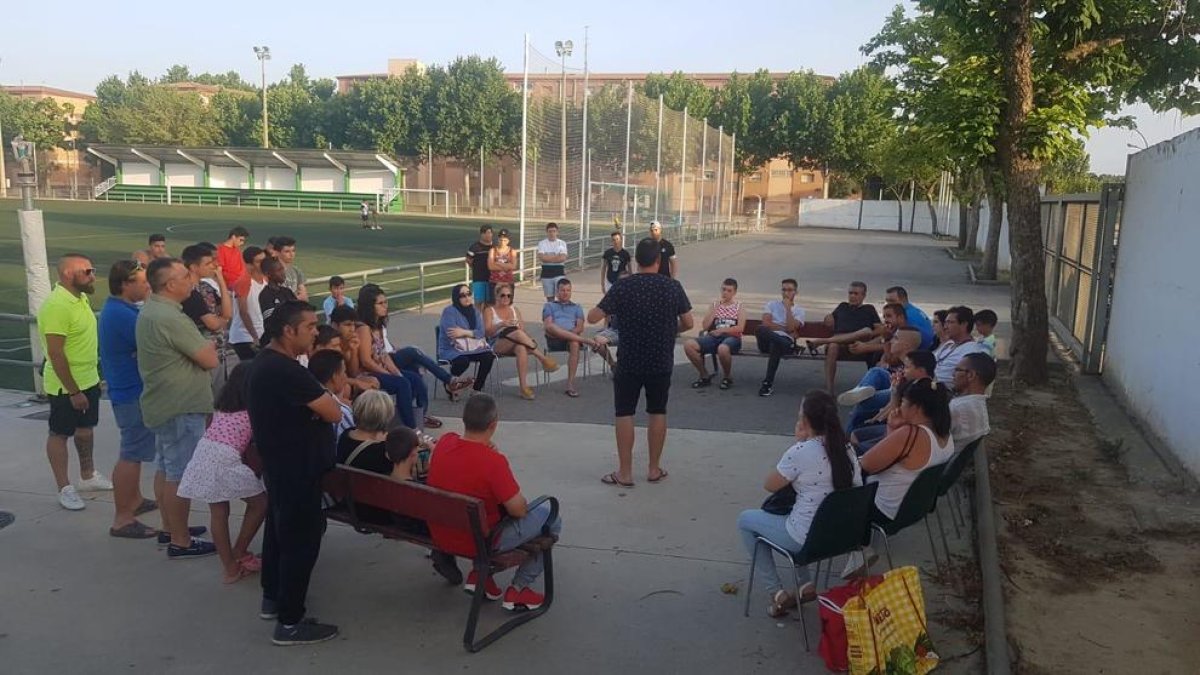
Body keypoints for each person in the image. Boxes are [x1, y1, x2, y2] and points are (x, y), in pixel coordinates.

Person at [247, 300, 342, 646]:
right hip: (297, 470)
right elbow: (333, 411)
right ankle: (290, 622)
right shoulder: (287, 371)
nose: (316, 333)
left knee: (279, 533)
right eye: (310, 327)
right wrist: (319, 407)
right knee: (301, 543)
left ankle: (273, 598)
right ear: (289, 331)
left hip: (281, 466)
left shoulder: (265, 362)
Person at [426, 394, 562, 610]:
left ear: (464, 419)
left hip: (442, 533)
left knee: (484, 511)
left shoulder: (444, 442)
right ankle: (519, 589)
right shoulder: (493, 463)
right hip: (480, 542)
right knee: (550, 517)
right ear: (493, 424)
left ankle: (481, 575)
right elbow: (518, 510)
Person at [737, 391, 861, 616]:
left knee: (746, 520)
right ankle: (805, 586)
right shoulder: (847, 449)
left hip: (805, 538)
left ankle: (776, 593)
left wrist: (799, 443)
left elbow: (770, 485)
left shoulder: (801, 451)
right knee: (799, 516)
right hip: (839, 537)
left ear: (805, 421)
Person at [588, 238, 693, 487]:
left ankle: (625, 472)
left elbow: (593, 317)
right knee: (657, 411)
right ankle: (654, 469)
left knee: (624, 412)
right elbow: (688, 323)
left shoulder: (624, 286)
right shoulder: (672, 287)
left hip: (630, 359)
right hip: (660, 358)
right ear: (659, 260)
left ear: (636, 260)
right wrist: (668, 330)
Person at [137, 257, 220, 559]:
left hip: (165, 404)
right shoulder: (170, 317)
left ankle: (171, 528)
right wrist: (209, 348)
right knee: (180, 475)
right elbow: (209, 359)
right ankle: (180, 541)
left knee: (166, 468)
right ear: (170, 284)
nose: (191, 281)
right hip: (180, 406)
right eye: (185, 276)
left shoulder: (153, 310)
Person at [844, 378, 954, 578]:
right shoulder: (945, 434)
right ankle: (861, 545)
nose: (899, 407)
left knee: (833, 476)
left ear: (916, 408)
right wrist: (891, 429)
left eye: (903, 402)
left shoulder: (911, 434)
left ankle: (859, 548)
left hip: (882, 509)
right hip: (911, 508)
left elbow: (866, 465)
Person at [177, 363, 268, 584]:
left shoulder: (222, 408)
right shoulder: (254, 411)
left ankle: (230, 567)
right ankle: (239, 550)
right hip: (225, 459)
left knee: (219, 512)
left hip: (204, 453)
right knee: (260, 503)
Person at [38, 254, 111, 511]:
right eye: (87, 272)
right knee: (59, 433)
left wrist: (92, 380)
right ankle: (64, 488)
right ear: (69, 274)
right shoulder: (57, 305)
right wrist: (73, 391)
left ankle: (88, 476)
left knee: (86, 428)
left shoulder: (80, 298)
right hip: (66, 385)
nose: (93, 276)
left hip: (88, 379)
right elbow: (56, 353)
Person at [99, 260, 159, 537]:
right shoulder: (121, 314)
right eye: (142, 281)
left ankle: (134, 500)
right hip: (131, 392)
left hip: (130, 390)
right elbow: (154, 342)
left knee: (134, 450)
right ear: (125, 284)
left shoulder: (121, 309)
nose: (147, 286)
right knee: (131, 454)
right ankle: (122, 519)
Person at [354, 285, 426, 430]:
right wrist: (388, 374)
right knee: (403, 384)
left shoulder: (378, 326)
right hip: (368, 373)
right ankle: (411, 428)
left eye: (386, 302)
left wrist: (396, 373)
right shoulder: (364, 328)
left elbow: (384, 354)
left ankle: (419, 417)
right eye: (380, 303)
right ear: (370, 306)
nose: (385, 306)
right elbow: (366, 361)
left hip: (381, 369)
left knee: (415, 379)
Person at [846, 350, 937, 450]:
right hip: (899, 427)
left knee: (857, 438)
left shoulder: (922, 391)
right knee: (856, 432)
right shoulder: (913, 383)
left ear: (921, 371)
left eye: (907, 367)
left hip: (904, 433)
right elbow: (892, 406)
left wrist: (895, 392)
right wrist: (875, 420)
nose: (903, 371)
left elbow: (896, 413)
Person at [804, 282, 884, 393]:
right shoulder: (842, 306)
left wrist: (870, 335)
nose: (852, 296)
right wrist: (828, 317)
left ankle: (821, 341)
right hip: (840, 344)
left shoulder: (869, 309)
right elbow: (829, 319)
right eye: (850, 293)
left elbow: (880, 329)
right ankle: (830, 389)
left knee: (866, 331)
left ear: (863, 295)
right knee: (833, 346)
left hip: (859, 344)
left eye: (856, 294)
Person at [484, 282, 558, 400]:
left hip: (516, 341)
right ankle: (543, 358)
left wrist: (523, 336)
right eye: (503, 295)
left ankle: (523, 387)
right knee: (518, 334)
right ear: (496, 296)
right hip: (496, 343)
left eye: (509, 296)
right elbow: (487, 333)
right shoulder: (489, 310)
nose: (506, 298)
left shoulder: (515, 310)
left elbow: (522, 330)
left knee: (521, 347)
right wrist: (501, 324)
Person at [180, 244, 233, 393]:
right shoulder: (189, 292)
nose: (214, 266)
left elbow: (227, 312)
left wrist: (221, 281)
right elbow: (213, 324)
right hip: (203, 352)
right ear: (193, 267)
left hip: (218, 350)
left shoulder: (206, 287)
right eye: (208, 263)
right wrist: (222, 321)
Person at [684, 278, 745, 390]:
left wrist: (722, 330)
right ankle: (704, 375)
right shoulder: (715, 305)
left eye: (729, 291)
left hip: (732, 338)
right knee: (689, 345)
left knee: (722, 349)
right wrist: (714, 311)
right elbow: (705, 326)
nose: (725, 293)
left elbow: (740, 327)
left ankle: (727, 377)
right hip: (713, 337)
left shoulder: (739, 306)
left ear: (734, 292)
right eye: (723, 289)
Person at [439, 285, 496, 395]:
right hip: (453, 349)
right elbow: (452, 333)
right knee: (463, 361)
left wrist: (464, 332)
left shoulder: (475, 311)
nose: (467, 297)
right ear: (456, 297)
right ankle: (450, 382)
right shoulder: (449, 311)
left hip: (473, 348)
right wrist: (472, 333)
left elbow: (481, 332)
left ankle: (477, 389)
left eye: (469, 294)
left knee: (488, 356)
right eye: (462, 295)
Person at [542, 278, 593, 398]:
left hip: (572, 338)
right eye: (562, 290)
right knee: (551, 326)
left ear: (571, 292)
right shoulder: (549, 306)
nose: (565, 293)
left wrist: (568, 334)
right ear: (557, 292)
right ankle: (586, 341)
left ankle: (570, 384)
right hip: (555, 339)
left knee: (574, 342)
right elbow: (548, 326)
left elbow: (580, 327)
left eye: (568, 290)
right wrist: (564, 333)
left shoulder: (577, 307)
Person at [755, 278, 805, 398]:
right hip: (768, 341)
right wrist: (785, 329)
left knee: (776, 345)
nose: (786, 293)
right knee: (760, 329)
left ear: (796, 292)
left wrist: (788, 309)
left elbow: (791, 327)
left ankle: (767, 384)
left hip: (782, 344)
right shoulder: (771, 304)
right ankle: (793, 347)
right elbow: (766, 324)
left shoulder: (799, 311)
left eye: (790, 290)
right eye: (784, 290)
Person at [949, 352, 994, 453]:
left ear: (971, 375)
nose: (952, 374)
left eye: (957, 370)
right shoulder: (979, 405)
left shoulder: (956, 408)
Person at [933, 306, 987, 388]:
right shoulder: (948, 345)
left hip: (946, 392)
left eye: (950, 322)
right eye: (945, 323)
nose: (945, 327)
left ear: (964, 324)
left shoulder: (971, 351)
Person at [228, 246, 267, 361]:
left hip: (260, 335)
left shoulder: (265, 281)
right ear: (249, 264)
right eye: (259, 262)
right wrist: (255, 337)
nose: (263, 264)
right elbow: (243, 311)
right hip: (246, 338)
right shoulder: (244, 282)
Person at [308, 348, 356, 437]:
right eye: (344, 372)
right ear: (334, 377)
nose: (345, 377)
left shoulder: (307, 403)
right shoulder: (342, 413)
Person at [258, 256, 298, 323]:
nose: (283, 273)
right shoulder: (265, 295)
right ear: (268, 274)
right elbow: (272, 320)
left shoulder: (287, 291)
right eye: (279, 270)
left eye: (282, 269)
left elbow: (299, 312)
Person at [537, 222, 569, 301]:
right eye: (550, 231)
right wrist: (556, 256)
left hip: (559, 273)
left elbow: (563, 258)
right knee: (550, 298)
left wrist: (548, 257)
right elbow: (542, 257)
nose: (552, 233)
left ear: (557, 232)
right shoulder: (542, 243)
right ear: (547, 232)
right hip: (546, 274)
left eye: (554, 231)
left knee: (561, 296)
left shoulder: (562, 243)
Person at [466, 225, 495, 305]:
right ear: (481, 234)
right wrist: (477, 268)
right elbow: (468, 260)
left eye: (490, 233)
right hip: (479, 279)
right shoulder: (474, 247)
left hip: (492, 280)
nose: (488, 235)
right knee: (479, 303)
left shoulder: (495, 247)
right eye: (486, 233)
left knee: (491, 303)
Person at [274, 236, 308, 301]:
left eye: (293, 251)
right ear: (277, 253)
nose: (291, 254)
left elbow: (304, 296)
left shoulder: (296, 271)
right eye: (287, 251)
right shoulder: (272, 272)